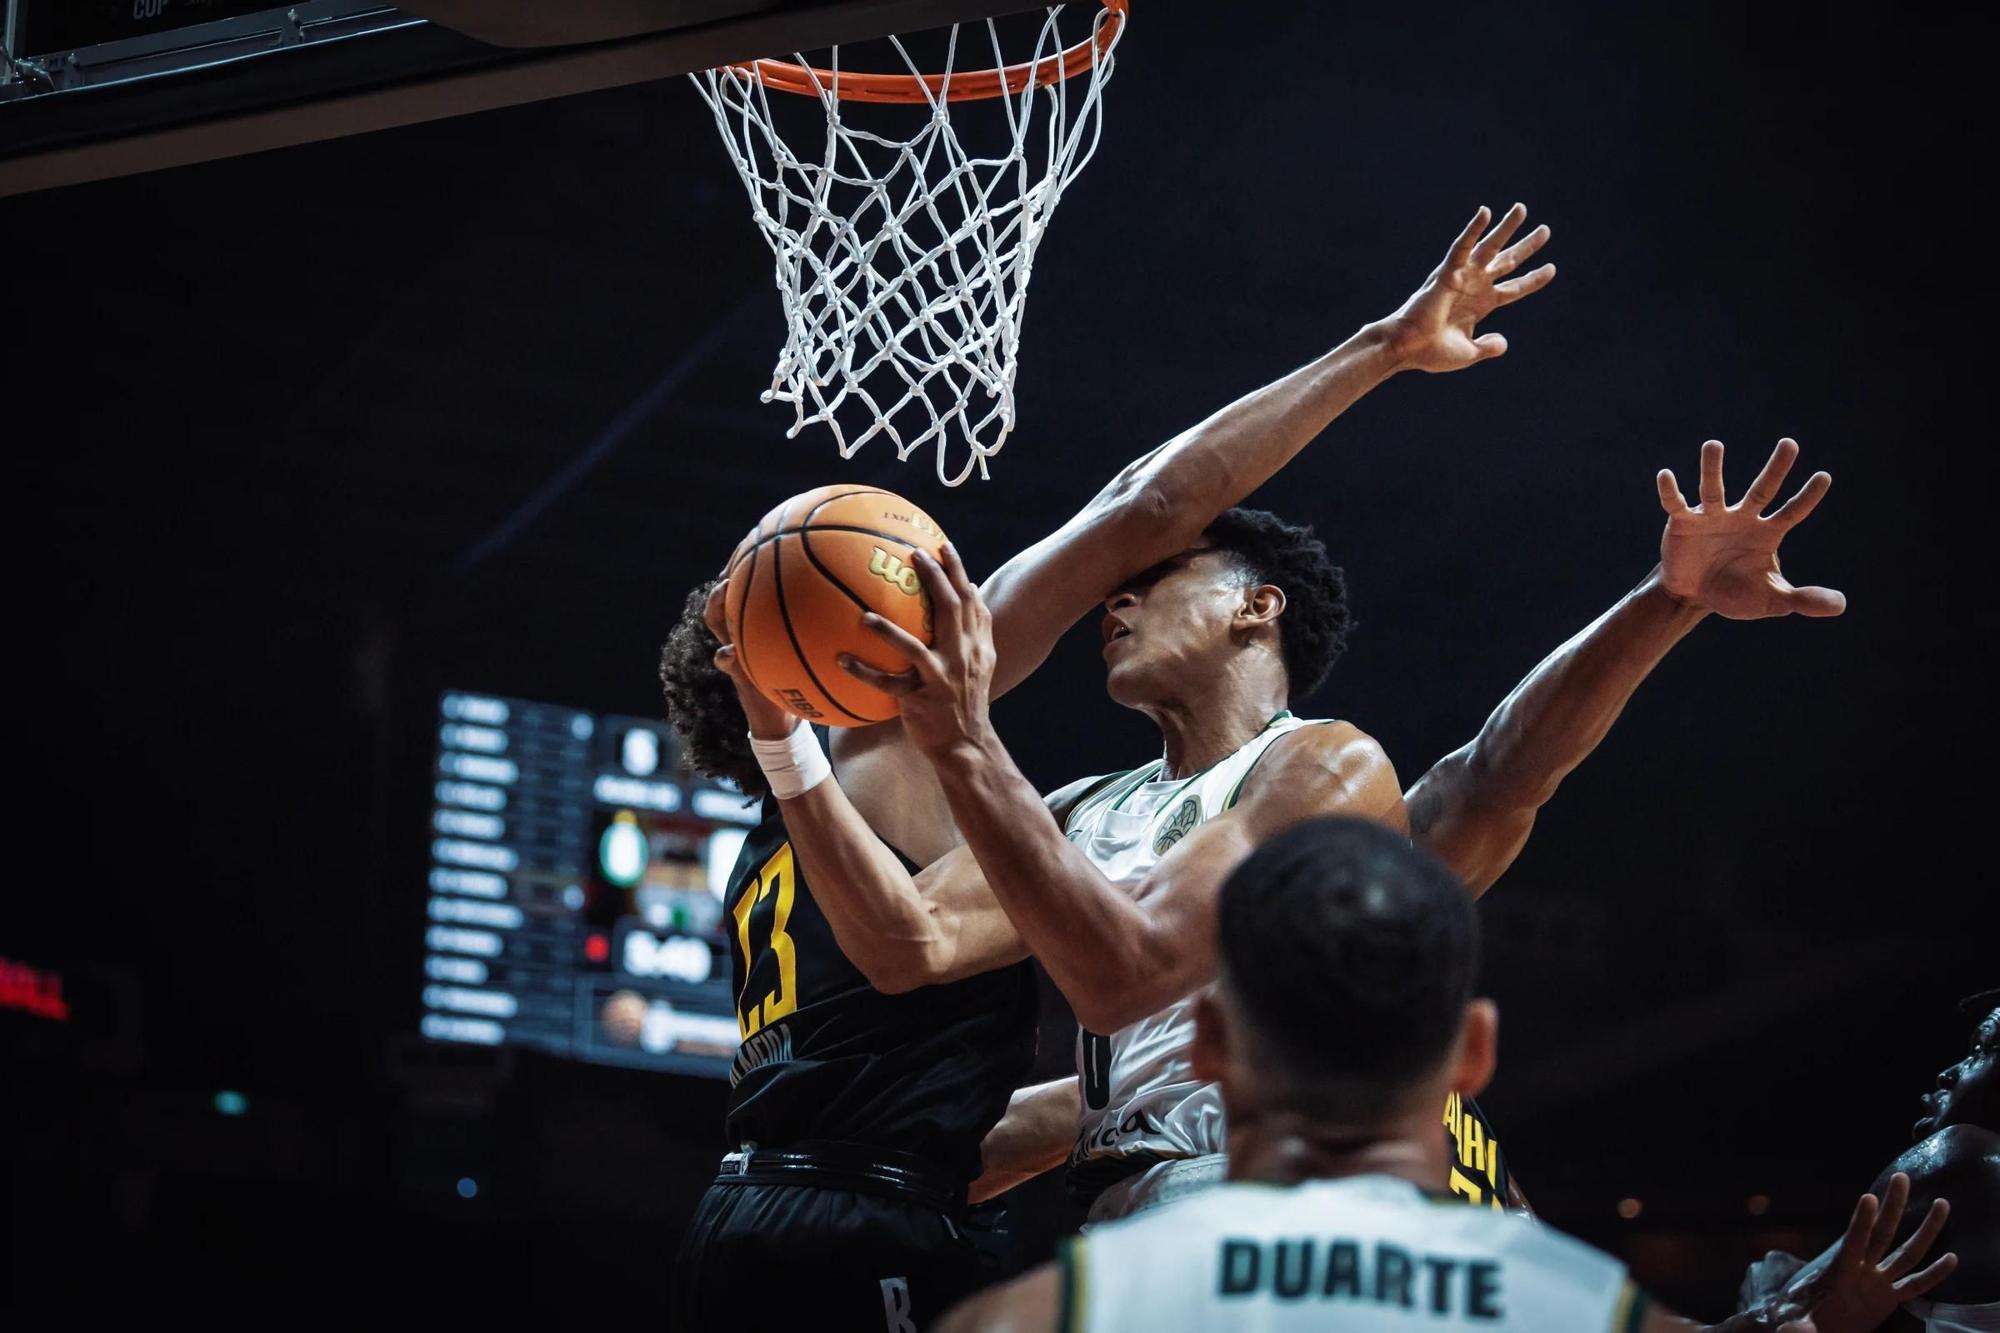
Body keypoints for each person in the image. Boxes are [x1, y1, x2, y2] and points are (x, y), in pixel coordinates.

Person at [662, 204, 1559, 1331]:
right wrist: (1378, 347)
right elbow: (1147, 507)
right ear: (838, 645)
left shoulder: (766, 851)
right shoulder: (885, 731)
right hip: (875, 1222)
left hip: (743, 1209)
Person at [719, 434, 1843, 1222]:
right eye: (1116, 593)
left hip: (1289, 1195)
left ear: (1257, 605)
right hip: (1136, 1194)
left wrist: (1666, 598)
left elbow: (1501, 770)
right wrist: (792, 748)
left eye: (1153, 585)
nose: (1113, 603)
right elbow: (911, 940)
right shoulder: (1079, 810)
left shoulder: (1321, 764)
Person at [935, 818, 1956, 1332]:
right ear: (1472, 1052)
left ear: (1202, 1043)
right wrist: (1817, 1317)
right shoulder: (1576, 1300)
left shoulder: (1055, 1308)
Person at [1742, 989, 1998, 1332]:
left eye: (1980, 1051)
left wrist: (1767, 1292)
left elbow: (1784, 1310)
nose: (1948, 1075)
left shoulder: (1970, 1158)